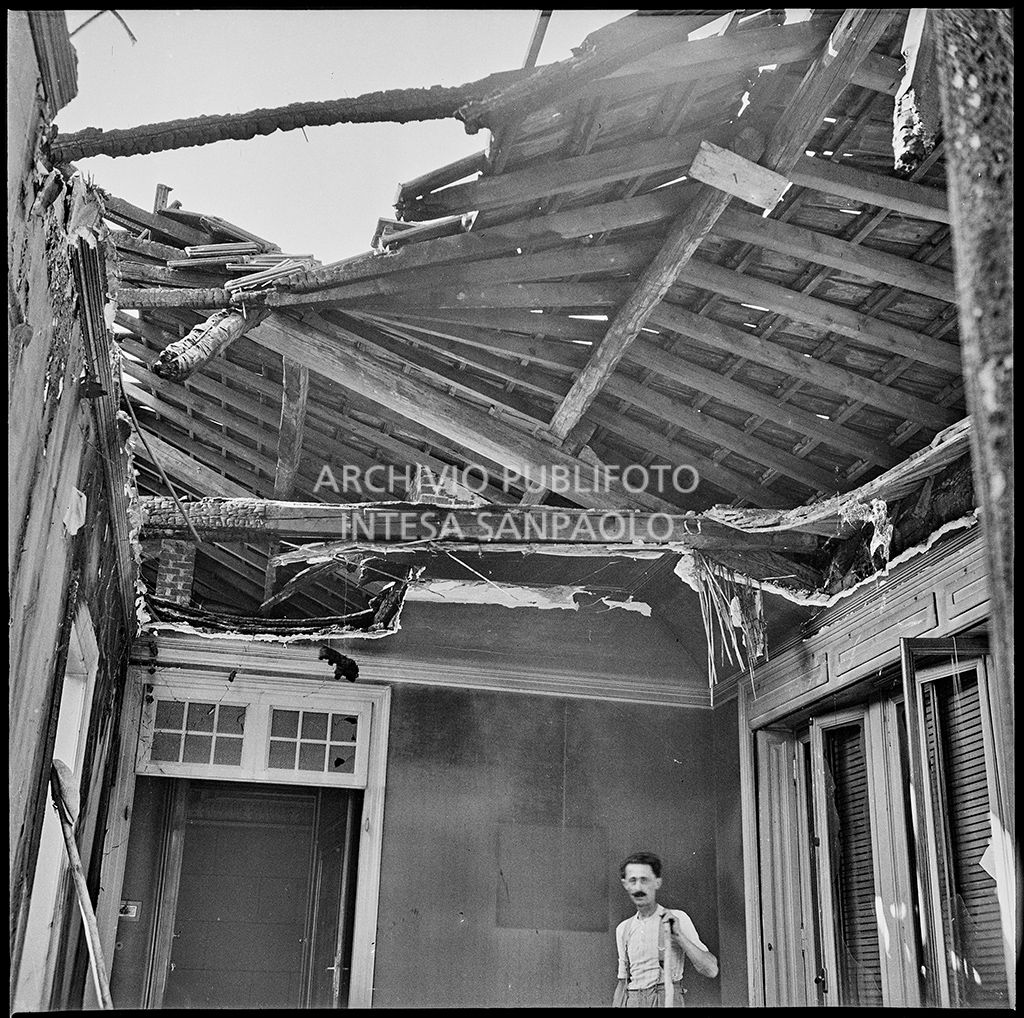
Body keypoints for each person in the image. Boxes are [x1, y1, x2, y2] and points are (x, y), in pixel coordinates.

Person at [612, 852, 718, 1007]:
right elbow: (622, 982)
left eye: (645, 880)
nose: (638, 887)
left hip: (666, 999)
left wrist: (679, 936)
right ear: (625, 884)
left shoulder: (676, 918)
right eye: (633, 881)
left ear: (657, 882)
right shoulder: (623, 929)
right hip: (633, 1001)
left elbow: (711, 970)